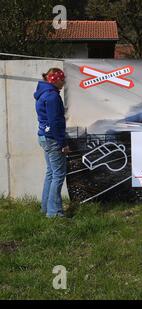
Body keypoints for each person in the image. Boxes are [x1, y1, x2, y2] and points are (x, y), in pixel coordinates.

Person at [34, 68, 70, 218]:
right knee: (58, 174)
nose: (64, 83)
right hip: (53, 138)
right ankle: (54, 213)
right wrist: (63, 143)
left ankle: (46, 207)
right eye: (63, 80)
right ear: (56, 80)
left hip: (43, 136)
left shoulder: (42, 94)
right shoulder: (53, 97)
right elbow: (55, 122)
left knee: (51, 173)